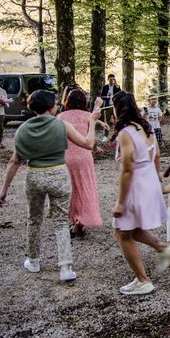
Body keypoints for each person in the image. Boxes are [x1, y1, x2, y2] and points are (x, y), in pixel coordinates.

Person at [0, 90, 102, 282]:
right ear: (51, 107)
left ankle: (34, 261)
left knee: (34, 220)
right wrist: (93, 121)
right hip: (59, 175)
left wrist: (4, 191)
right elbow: (88, 143)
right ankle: (65, 267)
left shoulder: (23, 129)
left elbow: (14, 162)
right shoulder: (62, 125)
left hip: (34, 176)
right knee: (61, 221)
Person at [112, 91, 170, 295]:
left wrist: (121, 202)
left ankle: (143, 280)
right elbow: (157, 157)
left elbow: (127, 169)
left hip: (136, 184)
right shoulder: (146, 128)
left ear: (117, 109)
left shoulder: (126, 133)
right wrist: (156, 179)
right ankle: (163, 248)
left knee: (122, 232)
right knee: (131, 227)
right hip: (148, 178)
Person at [58, 89, 107, 238]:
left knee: (70, 189)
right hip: (84, 157)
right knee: (85, 188)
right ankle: (81, 221)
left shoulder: (60, 117)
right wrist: (95, 147)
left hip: (65, 158)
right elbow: (88, 138)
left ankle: (73, 221)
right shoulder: (87, 116)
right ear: (83, 102)